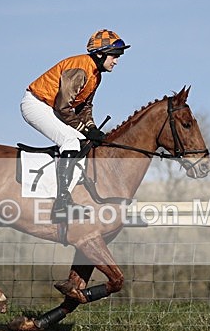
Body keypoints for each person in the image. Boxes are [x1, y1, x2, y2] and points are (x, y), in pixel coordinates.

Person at [21, 29, 130, 223]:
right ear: (100, 54)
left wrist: (92, 128)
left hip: (51, 107)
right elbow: (63, 108)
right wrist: (85, 129)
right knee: (71, 141)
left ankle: (69, 194)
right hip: (37, 104)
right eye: (114, 56)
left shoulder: (96, 75)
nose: (116, 61)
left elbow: (84, 107)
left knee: (84, 142)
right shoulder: (80, 70)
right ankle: (62, 203)